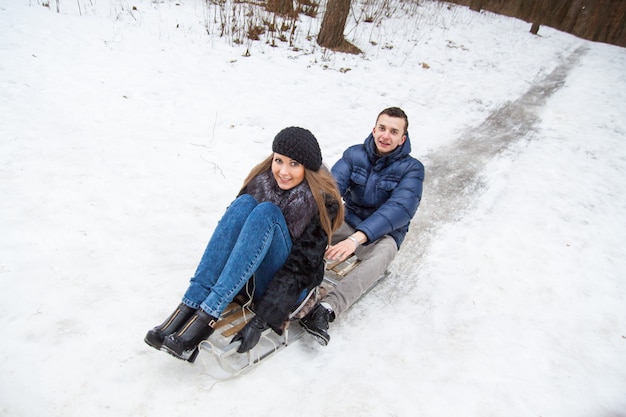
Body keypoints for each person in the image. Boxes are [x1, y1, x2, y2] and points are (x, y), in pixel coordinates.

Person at [145, 127, 343, 361]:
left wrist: (261, 321)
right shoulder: (261, 182)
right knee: (243, 205)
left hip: (288, 291)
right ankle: (188, 305)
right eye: (278, 161)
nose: (283, 171)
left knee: (267, 213)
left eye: (294, 164)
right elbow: (228, 238)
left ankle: (208, 316)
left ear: (307, 169)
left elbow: (299, 270)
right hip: (248, 280)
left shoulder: (320, 202)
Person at [299, 107, 424, 345]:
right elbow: (332, 189)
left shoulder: (413, 169)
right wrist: (320, 220)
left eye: (394, 132)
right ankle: (286, 281)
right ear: (374, 129)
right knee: (309, 225)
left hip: (383, 234)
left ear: (402, 139)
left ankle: (325, 309)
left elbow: (400, 208)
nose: (385, 136)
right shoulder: (354, 154)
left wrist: (356, 239)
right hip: (349, 219)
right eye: (382, 128)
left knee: (384, 254)